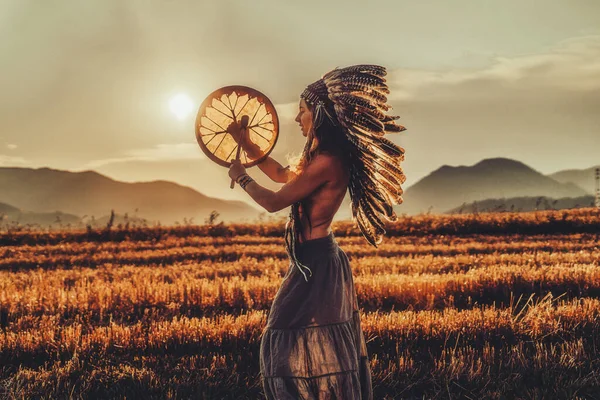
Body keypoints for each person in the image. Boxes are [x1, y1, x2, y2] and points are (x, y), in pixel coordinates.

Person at [228, 64, 407, 399]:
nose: (298, 119)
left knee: (283, 338)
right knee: (295, 340)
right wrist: (247, 144)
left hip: (318, 265)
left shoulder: (327, 161)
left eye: (302, 111)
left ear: (319, 113)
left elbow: (273, 201)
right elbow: (283, 174)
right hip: (312, 261)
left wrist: (242, 176)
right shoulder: (318, 157)